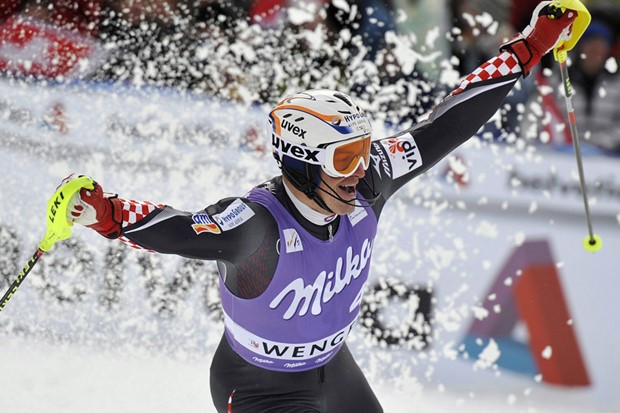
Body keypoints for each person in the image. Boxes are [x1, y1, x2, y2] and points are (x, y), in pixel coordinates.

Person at [59, 2, 578, 412]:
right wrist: (103, 212)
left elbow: (446, 125)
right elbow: (179, 229)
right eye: (345, 158)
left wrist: (528, 48)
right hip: (261, 392)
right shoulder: (256, 226)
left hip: (334, 370)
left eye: (363, 151)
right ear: (303, 162)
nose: (360, 170)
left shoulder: (371, 179)